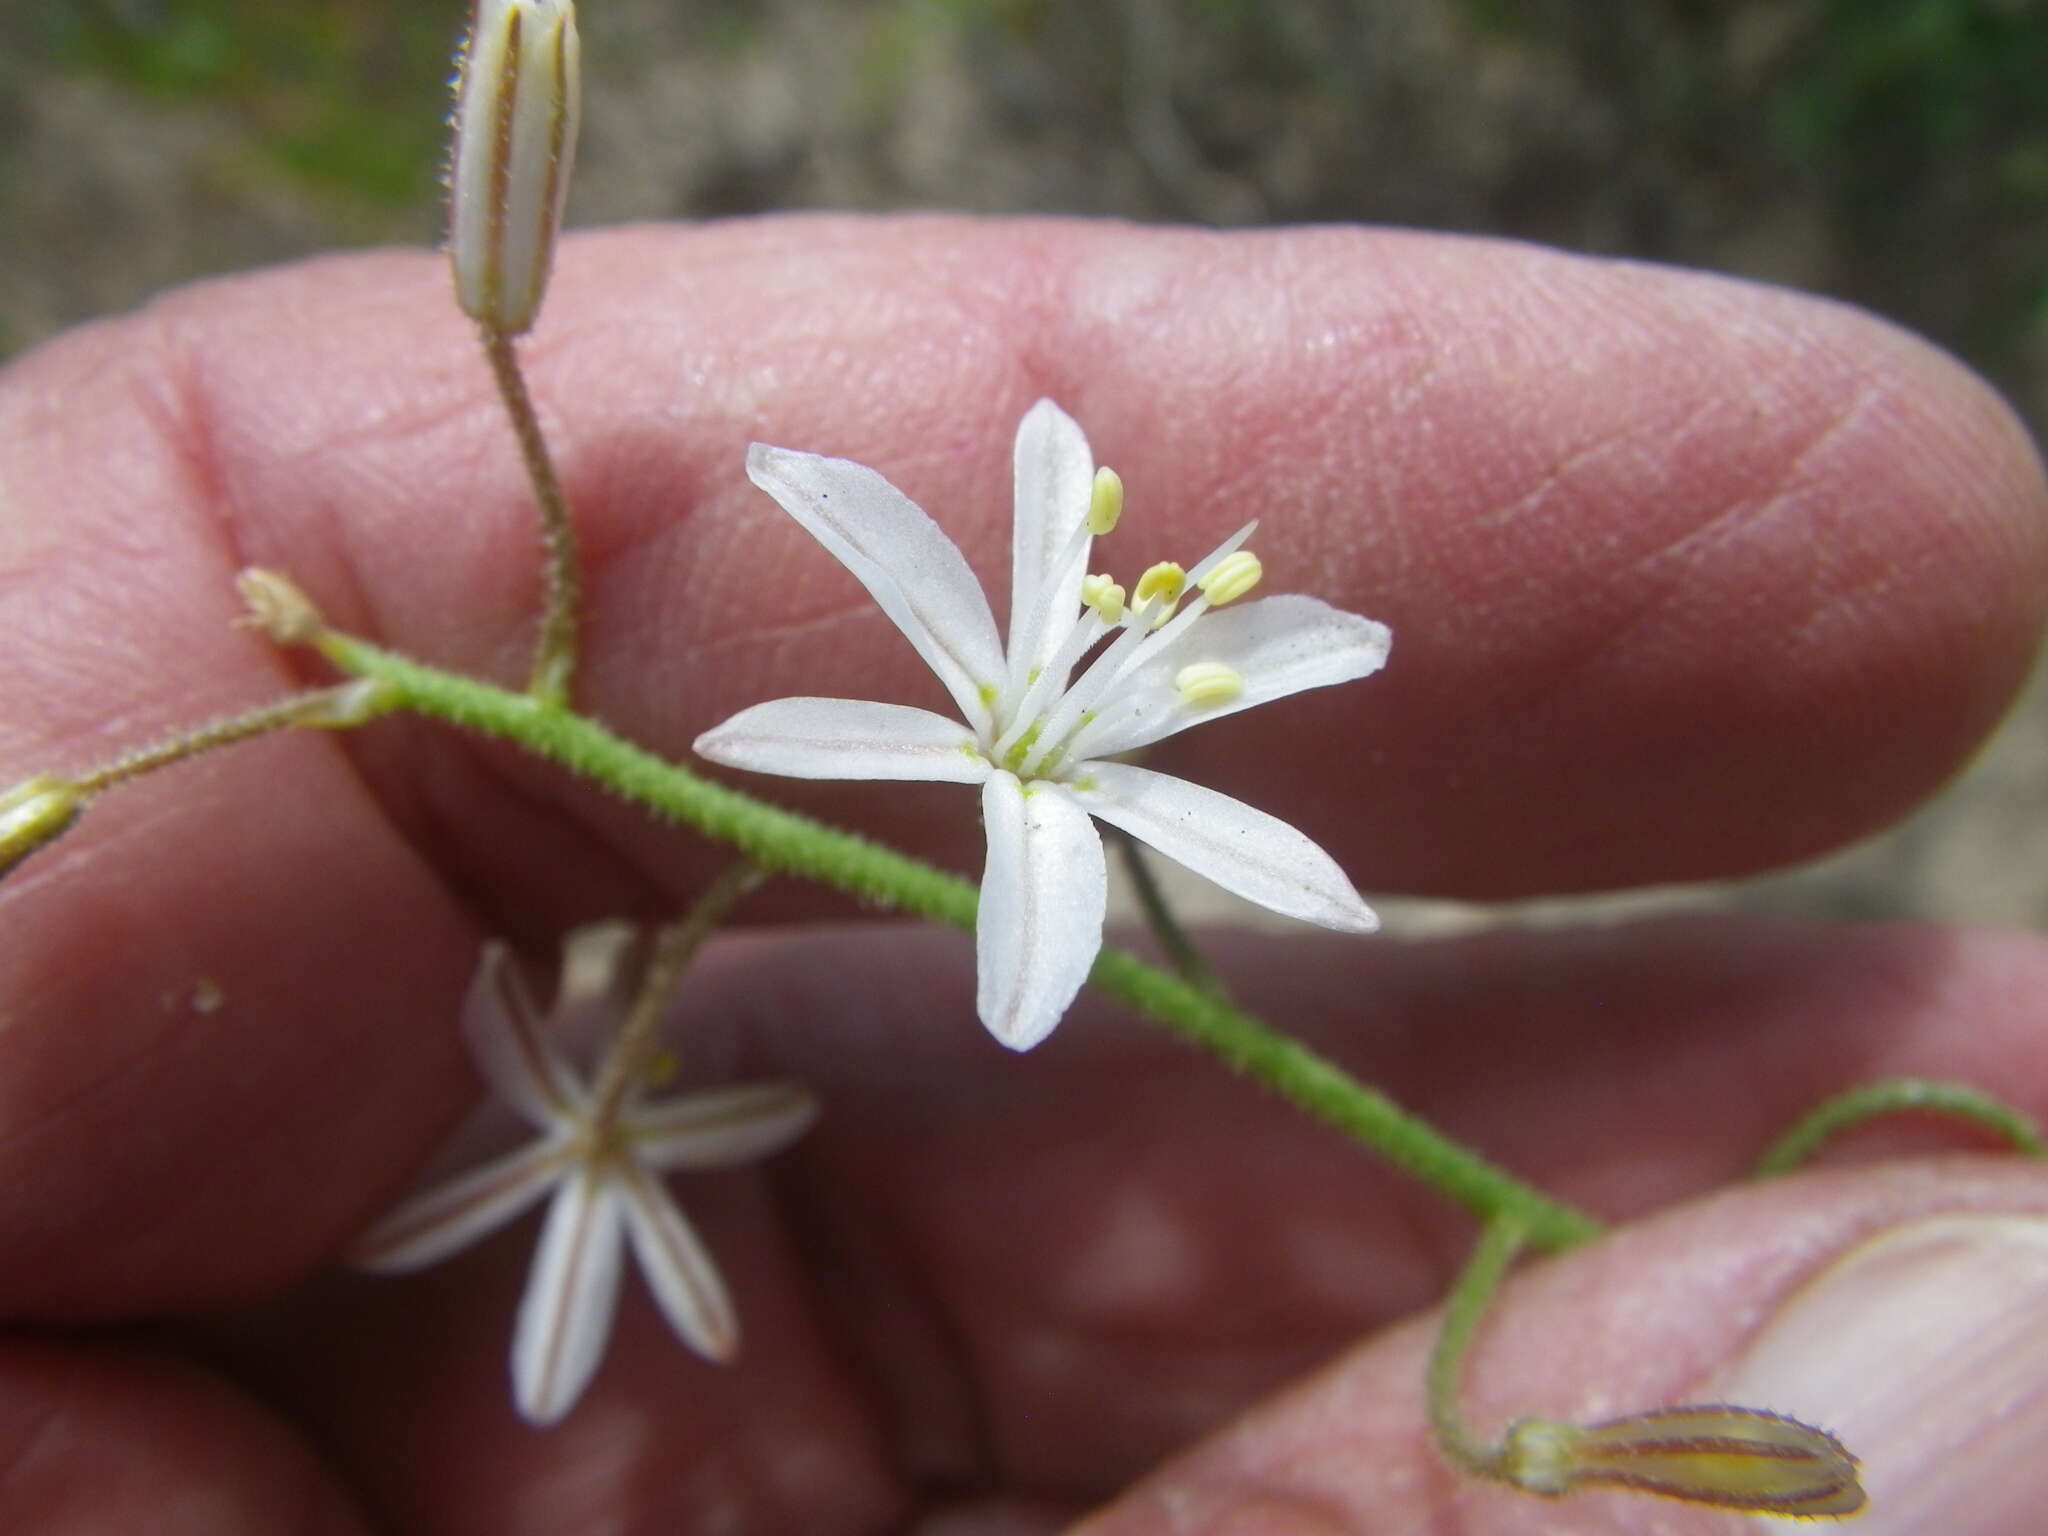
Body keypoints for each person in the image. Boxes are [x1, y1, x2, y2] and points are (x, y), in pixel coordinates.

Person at [0, 219, 2044, 1534]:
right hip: (1002, 796)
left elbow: (1125, 804)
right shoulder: (921, 740)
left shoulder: (1076, 786)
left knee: (1894, 1126)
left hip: (1069, 814)